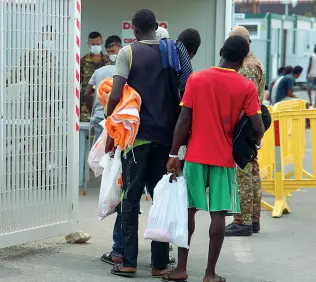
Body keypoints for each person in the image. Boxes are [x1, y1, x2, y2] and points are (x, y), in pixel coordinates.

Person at [164, 35, 265, 282]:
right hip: (223, 159)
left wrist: (174, 154)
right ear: (242, 60)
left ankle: (181, 269)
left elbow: (183, 119)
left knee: (188, 211)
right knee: (218, 214)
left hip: (196, 156)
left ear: (221, 51)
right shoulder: (245, 86)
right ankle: (210, 274)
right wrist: (256, 143)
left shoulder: (196, 79)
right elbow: (257, 126)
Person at [105, 9, 187, 278]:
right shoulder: (173, 51)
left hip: (137, 139)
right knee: (160, 199)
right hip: (167, 138)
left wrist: (110, 122)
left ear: (135, 32)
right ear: (156, 27)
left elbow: (116, 94)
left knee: (130, 198)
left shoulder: (129, 53)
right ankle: (160, 265)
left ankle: (128, 261)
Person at [225, 26, 266, 237]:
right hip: (251, 123)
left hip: (244, 124)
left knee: (243, 173)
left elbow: (244, 101)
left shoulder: (247, 67)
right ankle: (254, 219)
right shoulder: (255, 62)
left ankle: (243, 220)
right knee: (252, 171)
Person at [84, 35, 122, 143]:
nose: (111, 55)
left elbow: (87, 94)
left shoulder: (99, 71)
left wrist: (94, 111)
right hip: (117, 117)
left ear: (120, 48)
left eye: (113, 51)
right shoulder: (127, 71)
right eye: (109, 52)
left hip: (98, 116)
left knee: (98, 149)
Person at [80, 31, 109, 122]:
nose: (95, 46)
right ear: (88, 44)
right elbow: (78, 81)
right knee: (85, 130)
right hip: (87, 105)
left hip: (105, 103)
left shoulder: (108, 60)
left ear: (102, 42)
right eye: (93, 44)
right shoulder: (83, 61)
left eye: (98, 43)